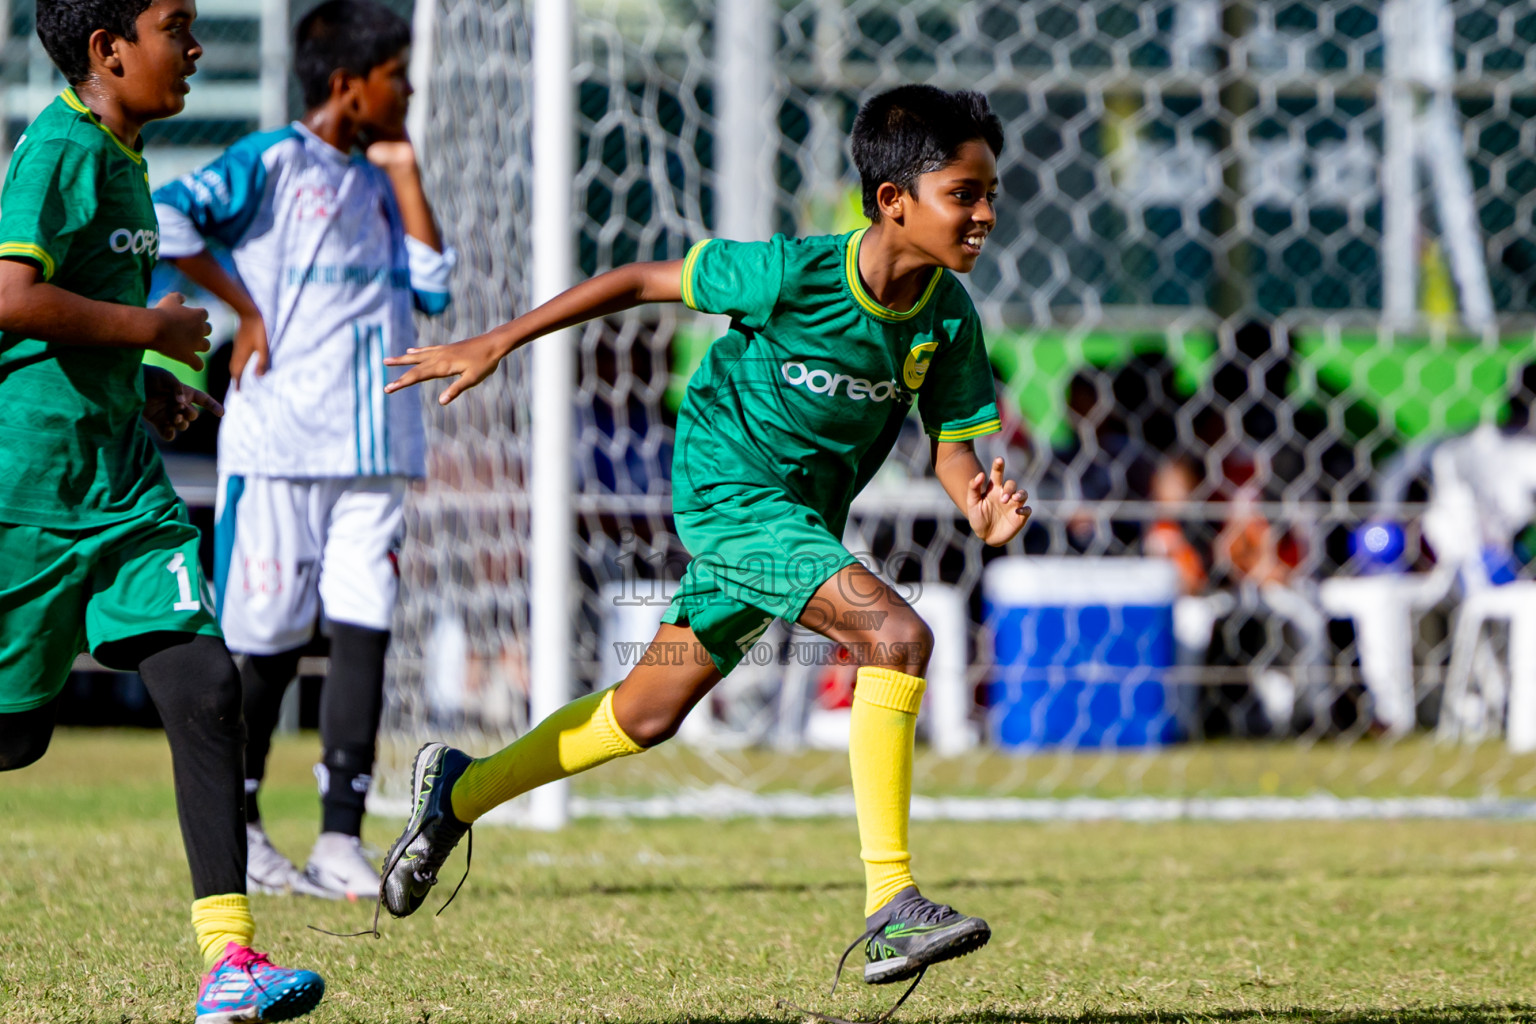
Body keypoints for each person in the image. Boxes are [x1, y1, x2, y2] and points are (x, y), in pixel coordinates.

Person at [377, 85, 1029, 996]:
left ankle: (457, 792)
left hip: (795, 525)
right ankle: (891, 907)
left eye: (991, 191)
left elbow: (956, 448)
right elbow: (642, 280)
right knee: (899, 637)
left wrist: (979, 508)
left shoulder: (949, 318)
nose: (986, 212)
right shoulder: (792, 273)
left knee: (644, 715)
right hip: (729, 497)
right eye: (965, 193)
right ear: (894, 201)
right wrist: (501, 340)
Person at [0, 0, 324, 1019]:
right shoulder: (59, 152)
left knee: (203, 681)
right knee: (15, 740)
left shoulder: (127, 157)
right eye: (175, 27)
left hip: (124, 485)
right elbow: (11, 297)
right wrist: (149, 327)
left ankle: (229, 964)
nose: (194, 49)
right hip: (33, 490)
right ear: (109, 50)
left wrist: (142, 383)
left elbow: (73, 328)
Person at [152, 0, 454, 901]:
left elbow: (436, 286)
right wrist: (246, 309)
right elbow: (170, 216)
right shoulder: (272, 163)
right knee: (264, 640)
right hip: (280, 441)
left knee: (364, 624)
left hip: (376, 443)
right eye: (397, 76)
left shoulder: (378, 177)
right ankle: (240, 826)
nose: (408, 90)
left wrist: (405, 170)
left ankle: (338, 838)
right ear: (346, 83)